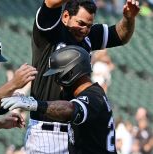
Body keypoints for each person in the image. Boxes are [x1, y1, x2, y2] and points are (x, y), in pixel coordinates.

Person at [29, 0, 139, 153]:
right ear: (66, 16)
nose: (85, 29)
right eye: (81, 23)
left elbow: (120, 36)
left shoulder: (87, 36)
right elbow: (50, 3)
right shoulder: (50, 30)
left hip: (75, 128)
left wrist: (128, 18)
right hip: (47, 131)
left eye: (89, 25)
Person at [2, 45, 117, 154]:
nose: (57, 82)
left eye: (58, 75)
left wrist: (35, 104)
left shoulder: (93, 96)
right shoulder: (94, 93)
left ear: (70, 73)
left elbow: (70, 110)